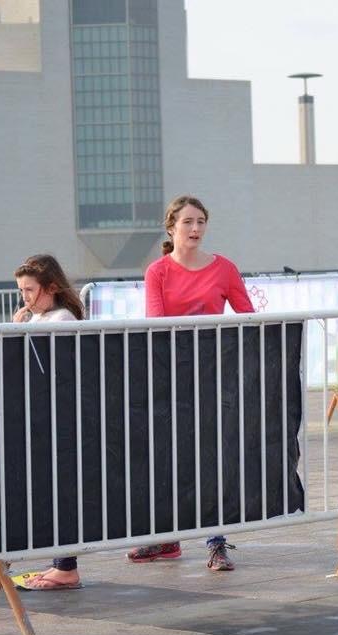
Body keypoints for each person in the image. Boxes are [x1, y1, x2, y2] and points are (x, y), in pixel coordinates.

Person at [128, 194, 254, 571]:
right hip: (169, 378)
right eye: (188, 222)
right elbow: (157, 325)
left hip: (214, 378)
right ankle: (167, 539)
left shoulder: (225, 268)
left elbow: (248, 316)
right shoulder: (157, 272)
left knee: (210, 458)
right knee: (167, 458)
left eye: (201, 221)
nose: (196, 228)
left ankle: (216, 543)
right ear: (171, 228)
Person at [11, 254, 87, 590]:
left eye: (29, 289)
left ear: (51, 288)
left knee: (61, 491)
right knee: (51, 491)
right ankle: (61, 562)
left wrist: (18, 333)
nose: (24, 297)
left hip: (60, 421)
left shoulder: (62, 319)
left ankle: (66, 566)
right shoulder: (43, 317)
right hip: (46, 419)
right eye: (21, 290)